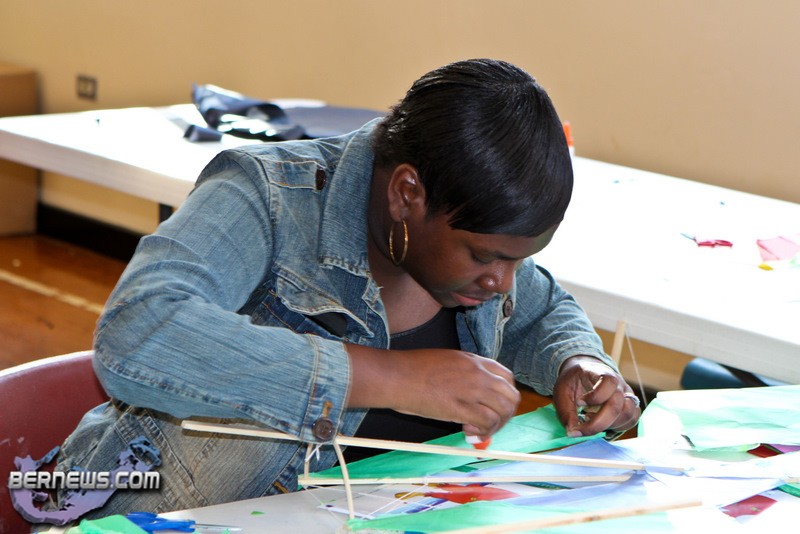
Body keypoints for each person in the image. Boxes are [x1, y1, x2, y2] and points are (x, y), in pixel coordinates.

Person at [55, 58, 640, 516]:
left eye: (518, 260)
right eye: (484, 256)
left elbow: (538, 311)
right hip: (145, 510)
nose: (501, 281)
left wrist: (577, 361)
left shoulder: (477, 255)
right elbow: (139, 331)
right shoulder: (268, 196)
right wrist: (392, 378)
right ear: (407, 194)